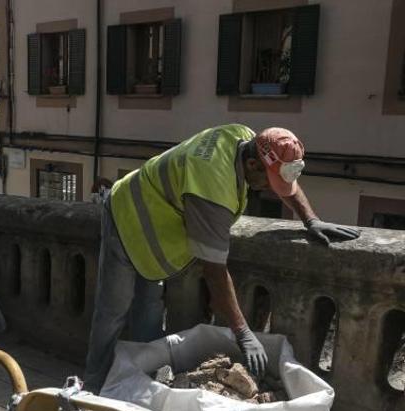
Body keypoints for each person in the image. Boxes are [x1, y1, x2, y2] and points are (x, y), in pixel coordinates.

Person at [84, 124, 360, 393]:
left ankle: (139, 382)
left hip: (156, 226)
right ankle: (92, 387)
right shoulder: (212, 189)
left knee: (149, 307)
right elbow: (215, 273)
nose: (268, 189)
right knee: (113, 311)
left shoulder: (245, 138)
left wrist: (310, 219)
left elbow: (284, 180)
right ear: (251, 164)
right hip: (127, 214)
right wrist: (243, 334)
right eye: (268, 181)